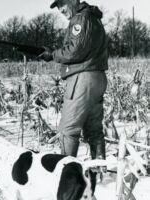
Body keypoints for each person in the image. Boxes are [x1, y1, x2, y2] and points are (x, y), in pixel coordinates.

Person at [40, 0, 108, 162]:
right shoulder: (94, 18)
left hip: (82, 79)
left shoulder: (80, 19)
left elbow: (74, 51)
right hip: (97, 77)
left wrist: (53, 55)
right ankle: (99, 172)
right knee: (94, 130)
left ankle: (66, 174)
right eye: (57, 7)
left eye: (62, 4)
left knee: (68, 130)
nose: (60, 9)